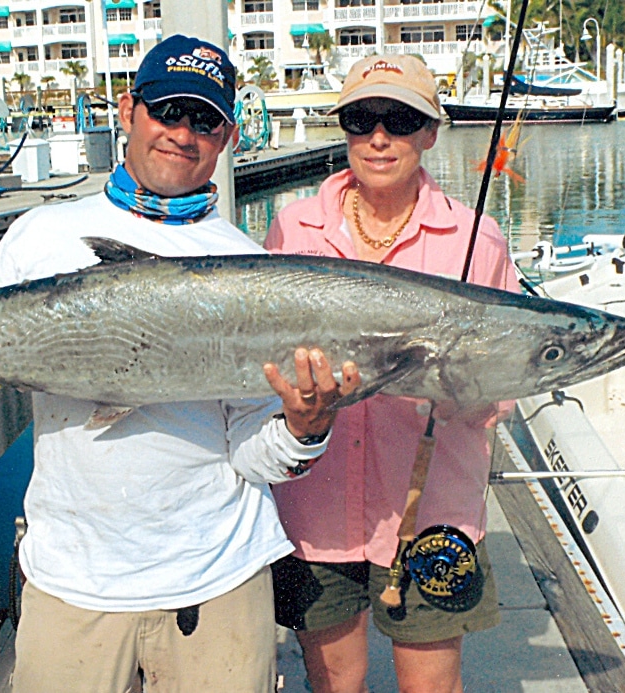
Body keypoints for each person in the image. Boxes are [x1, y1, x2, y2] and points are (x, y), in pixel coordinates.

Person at [0, 35, 361, 692]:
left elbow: (254, 456)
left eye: (204, 120)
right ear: (129, 109)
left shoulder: (243, 265)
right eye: (167, 110)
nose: (182, 133)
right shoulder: (43, 235)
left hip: (216, 577)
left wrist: (304, 426)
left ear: (225, 136)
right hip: (71, 579)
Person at [264, 54, 520, 693]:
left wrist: (457, 385)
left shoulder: (477, 239)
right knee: (333, 685)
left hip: (434, 510)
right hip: (314, 510)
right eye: (362, 118)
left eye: (400, 120)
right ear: (344, 128)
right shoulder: (293, 229)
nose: (379, 138)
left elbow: (504, 388)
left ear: (431, 131)